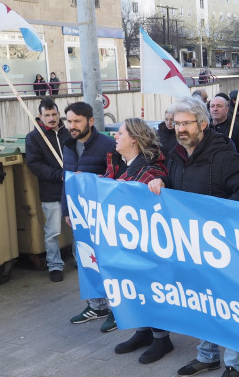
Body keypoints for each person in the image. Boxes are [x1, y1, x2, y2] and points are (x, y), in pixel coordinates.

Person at [147, 96, 239, 377]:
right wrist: (161, 182)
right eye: (177, 123)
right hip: (190, 246)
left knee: (227, 306)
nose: (180, 129)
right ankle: (207, 356)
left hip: (221, 248)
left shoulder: (223, 156)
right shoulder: (175, 154)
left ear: (203, 124)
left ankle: (235, 366)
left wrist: (219, 217)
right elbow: (175, 186)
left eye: (186, 123)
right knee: (200, 302)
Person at [103, 119, 170, 359]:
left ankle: (162, 339)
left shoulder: (151, 170)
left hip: (147, 243)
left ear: (134, 139)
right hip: (127, 240)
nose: (115, 137)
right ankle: (143, 330)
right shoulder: (119, 164)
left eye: (120, 133)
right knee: (133, 286)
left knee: (150, 287)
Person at [61, 102, 116, 326]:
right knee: (84, 259)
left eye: (77, 121)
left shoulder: (108, 145)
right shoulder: (68, 145)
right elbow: (66, 180)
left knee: (107, 261)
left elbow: (116, 179)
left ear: (90, 122)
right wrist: (66, 210)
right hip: (79, 216)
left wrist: (95, 180)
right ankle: (97, 306)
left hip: (102, 215)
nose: (71, 126)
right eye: (69, 121)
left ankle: (116, 308)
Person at [25, 98, 69, 282]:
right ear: (40, 117)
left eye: (54, 114)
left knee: (79, 229)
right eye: (47, 115)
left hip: (72, 189)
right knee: (53, 231)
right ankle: (55, 265)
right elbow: (35, 165)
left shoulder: (69, 134)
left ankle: (81, 260)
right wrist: (58, 174)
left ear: (59, 115)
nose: (51, 118)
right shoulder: (34, 137)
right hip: (51, 191)